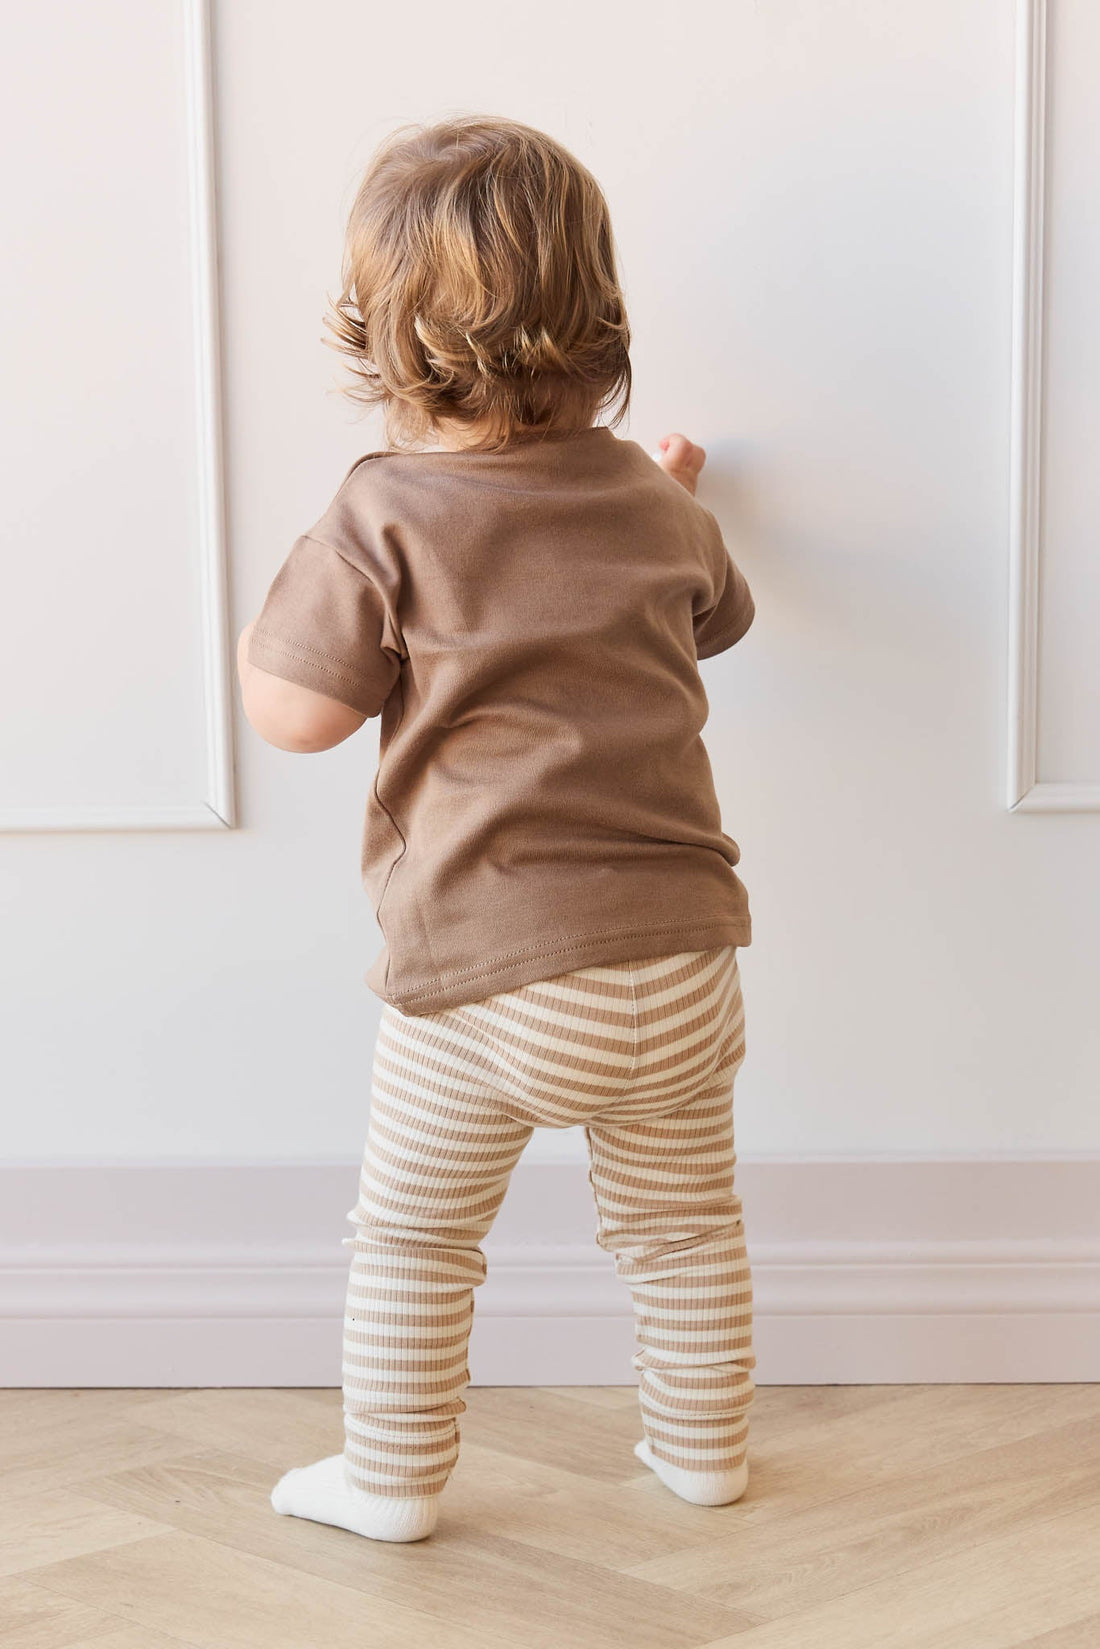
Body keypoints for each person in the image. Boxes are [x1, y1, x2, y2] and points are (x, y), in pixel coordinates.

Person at [237, 114, 757, 1543]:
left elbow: (296, 716)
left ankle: (392, 1482)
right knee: (683, 1227)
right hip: (684, 959)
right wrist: (663, 500)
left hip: (487, 977)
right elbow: (714, 616)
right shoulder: (647, 499)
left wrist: (290, 601)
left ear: (388, 338)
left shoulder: (384, 512)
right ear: (601, 315)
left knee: (417, 1236)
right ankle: (705, 1451)